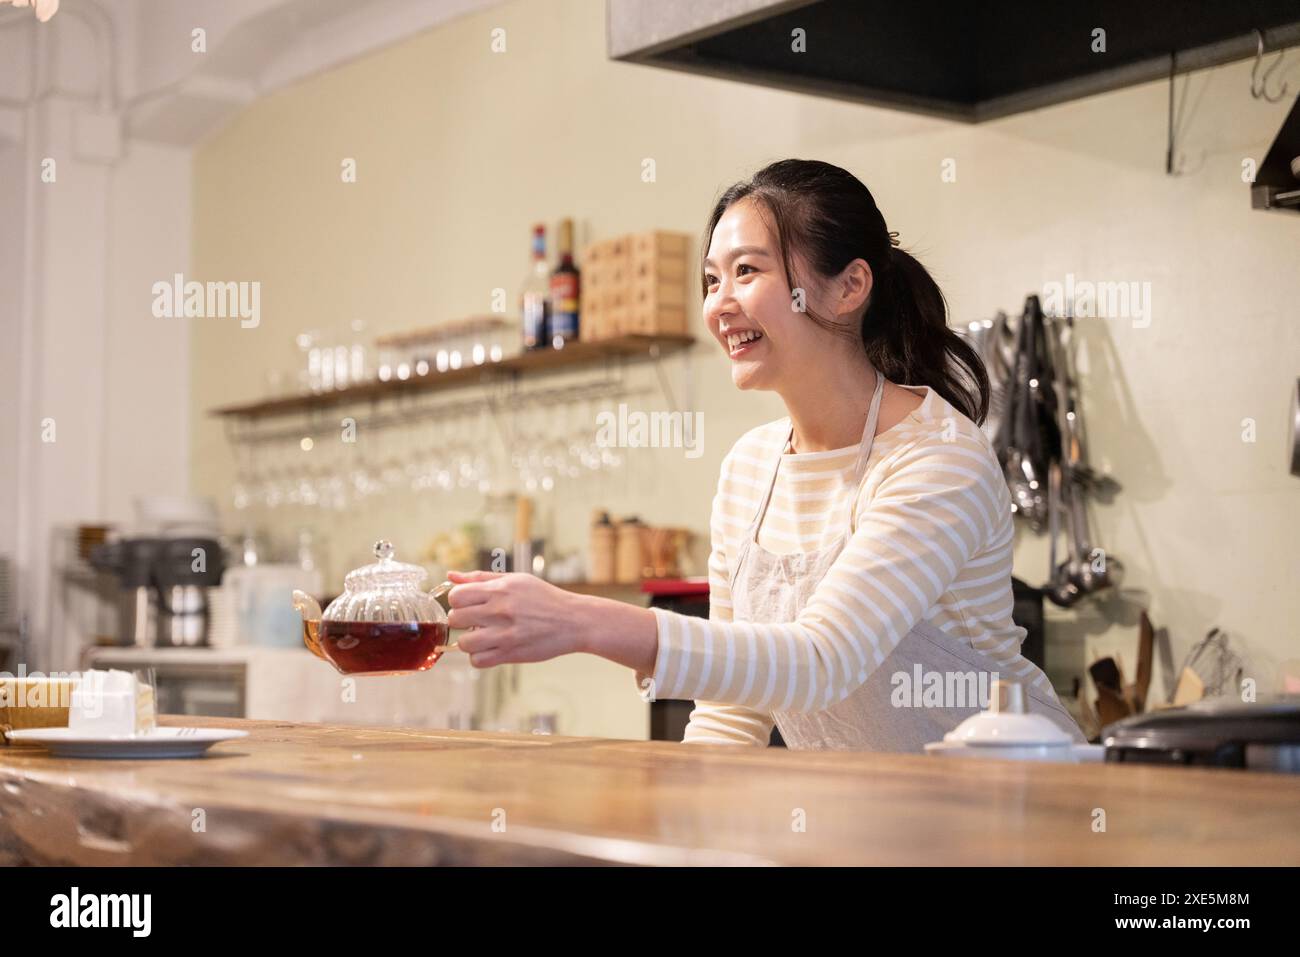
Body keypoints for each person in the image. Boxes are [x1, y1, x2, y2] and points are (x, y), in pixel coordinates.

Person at [447, 158, 1084, 751]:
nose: (719, 305)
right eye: (711, 279)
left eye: (747, 272)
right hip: (863, 824)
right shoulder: (752, 467)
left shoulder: (937, 459)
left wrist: (583, 620)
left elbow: (822, 661)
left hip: (1003, 809)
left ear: (848, 286)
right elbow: (731, 711)